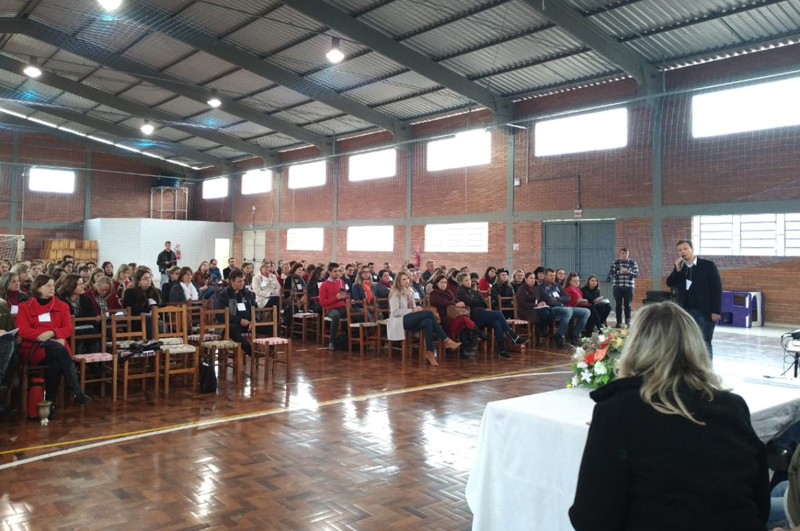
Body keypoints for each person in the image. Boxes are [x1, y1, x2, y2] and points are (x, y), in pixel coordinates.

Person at [569, 302, 769, 531]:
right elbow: (759, 503)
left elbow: (591, 518)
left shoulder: (617, 411)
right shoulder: (734, 406)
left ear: (634, 348)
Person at [17, 274, 91, 415]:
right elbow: (24, 330)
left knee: (57, 362)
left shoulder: (61, 306)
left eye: (53, 285)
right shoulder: (25, 307)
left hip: (57, 346)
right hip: (35, 347)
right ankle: (76, 390)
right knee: (59, 350)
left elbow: (68, 329)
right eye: (48, 286)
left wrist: (52, 333)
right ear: (38, 288)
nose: (52, 288)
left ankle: (49, 403)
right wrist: (46, 337)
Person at [388, 271, 459, 366]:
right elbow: (395, 312)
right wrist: (413, 310)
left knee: (428, 321)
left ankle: (429, 352)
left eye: (407, 279)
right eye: (404, 279)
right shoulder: (395, 293)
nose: (407, 281)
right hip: (399, 320)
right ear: (398, 282)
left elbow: (413, 308)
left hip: (410, 317)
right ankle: (446, 340)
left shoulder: (410, 291)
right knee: (429, 313)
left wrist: (416, 310)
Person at [666, 238, 722, 358]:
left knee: (704, 341)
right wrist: (676, 269)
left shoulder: (708, 265)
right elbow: (669, 283)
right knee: (687, 342)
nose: (683, 252)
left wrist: (716, 310)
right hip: (686, 311)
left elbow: (716, 289)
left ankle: (706, 371)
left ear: (692, 249)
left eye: (685, 248)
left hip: (704, 311)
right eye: (679, 250)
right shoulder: (680, 268)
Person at [456, 272, 526, 359]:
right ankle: (513, 337)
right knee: (499, 313)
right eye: (466, 280)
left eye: (469, 279)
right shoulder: (460, 291)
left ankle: (501, 350)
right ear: (461, 282)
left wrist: (476, 300)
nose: (469, 282)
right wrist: (477, 300)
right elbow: (470, 302)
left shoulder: (474, 290)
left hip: (481, 312)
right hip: (473, 316)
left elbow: (484, 303)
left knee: (497, 323)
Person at [429, 273, 481, 358]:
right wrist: (455, 304)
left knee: (463, 321)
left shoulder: (449, 292)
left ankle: (463, 349)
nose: (444, 284)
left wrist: (459, 303)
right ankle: (477, 333)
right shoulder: (434, 293)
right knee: (463, 320)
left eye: (445, 282)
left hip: (454, 315)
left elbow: (456, 300)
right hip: (443, 317)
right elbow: (442, 303)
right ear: (436, 283)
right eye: (441, 282)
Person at [536, 268, 590, 347]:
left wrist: (557, 299)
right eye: (551, 275)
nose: (553, 277)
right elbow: (549, 301)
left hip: (563, 307)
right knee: (568, 311)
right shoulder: (541, 287)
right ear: (545, 276)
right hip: (552, 309)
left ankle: (574, 335)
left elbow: (567, 298)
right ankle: (560, 335)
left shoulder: (557, 285)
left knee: (586, 312)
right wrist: (560, 300)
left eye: (554, 275)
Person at [215, 269, 256, 357]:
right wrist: (239, 320)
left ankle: (270, 352)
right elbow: (220, 315)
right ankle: (251, 351)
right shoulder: (224, 294)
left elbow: (256, 309)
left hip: (249, 324)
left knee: (272, 327)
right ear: (232, 281)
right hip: (233, 324)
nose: (242, 283)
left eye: (243, 281)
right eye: (239, 281)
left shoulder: (248, 293)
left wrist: (254, 320)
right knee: (231, 329)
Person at [122, 268, 163, 338]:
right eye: (145, 278)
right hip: (137, 320)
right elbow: (131, 309)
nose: (148, 280)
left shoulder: (156, 292)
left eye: (149, 277)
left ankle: (161, 343)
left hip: (156, 318)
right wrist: (149, 311)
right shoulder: (130, 292)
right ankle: (150, 343)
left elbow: (163, 305)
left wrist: (158, 312)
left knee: (161, 323)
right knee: (150, 319)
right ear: (138, 281)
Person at [318, 263, 349, 350]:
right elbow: (322, 302)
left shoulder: (341, 282)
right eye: (335, 271)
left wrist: (345, 296)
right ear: (329, 272)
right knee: (336, 316)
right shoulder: (324, 285)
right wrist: (336, 297)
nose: (337, 273)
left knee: (356, 313)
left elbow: (347, 295)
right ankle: (331, 342)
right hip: (331, 308)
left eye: (339, 271)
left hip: (342, 306)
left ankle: (349, 339)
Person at [516, 271, 555, 338]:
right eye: (531, 278)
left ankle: (543, 328)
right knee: (543, 313)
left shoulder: (536, 288)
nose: (533, 280)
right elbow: (522, 303)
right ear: (526, 279)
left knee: (551, 312)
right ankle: (539, 330)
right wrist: (535, 305)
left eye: (534, 278)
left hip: (536, 308)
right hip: (525, 310)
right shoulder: (521, 289)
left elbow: (539, 299)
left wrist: (542, 302)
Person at [608, 247, 639, 328]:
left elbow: (637, 275)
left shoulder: (633, 263)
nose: (624, 255)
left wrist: (629, 272)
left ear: (628, 254)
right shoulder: (615, 263)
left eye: (626, 253)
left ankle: (628, 322)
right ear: (620, 254)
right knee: (618, 305)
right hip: (617, 287)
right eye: (622, 253)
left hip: (629, 287)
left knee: (627, 305)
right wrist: (619, 272)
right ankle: (618, 322)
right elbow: (611, 274)